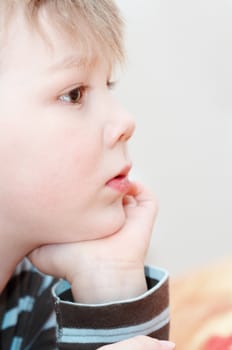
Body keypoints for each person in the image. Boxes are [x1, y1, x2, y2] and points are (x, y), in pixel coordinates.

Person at [0, 1, 174, 349]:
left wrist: (110, 276)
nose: (126, 121)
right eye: (74, 94)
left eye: (108, 84)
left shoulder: (39, 298)